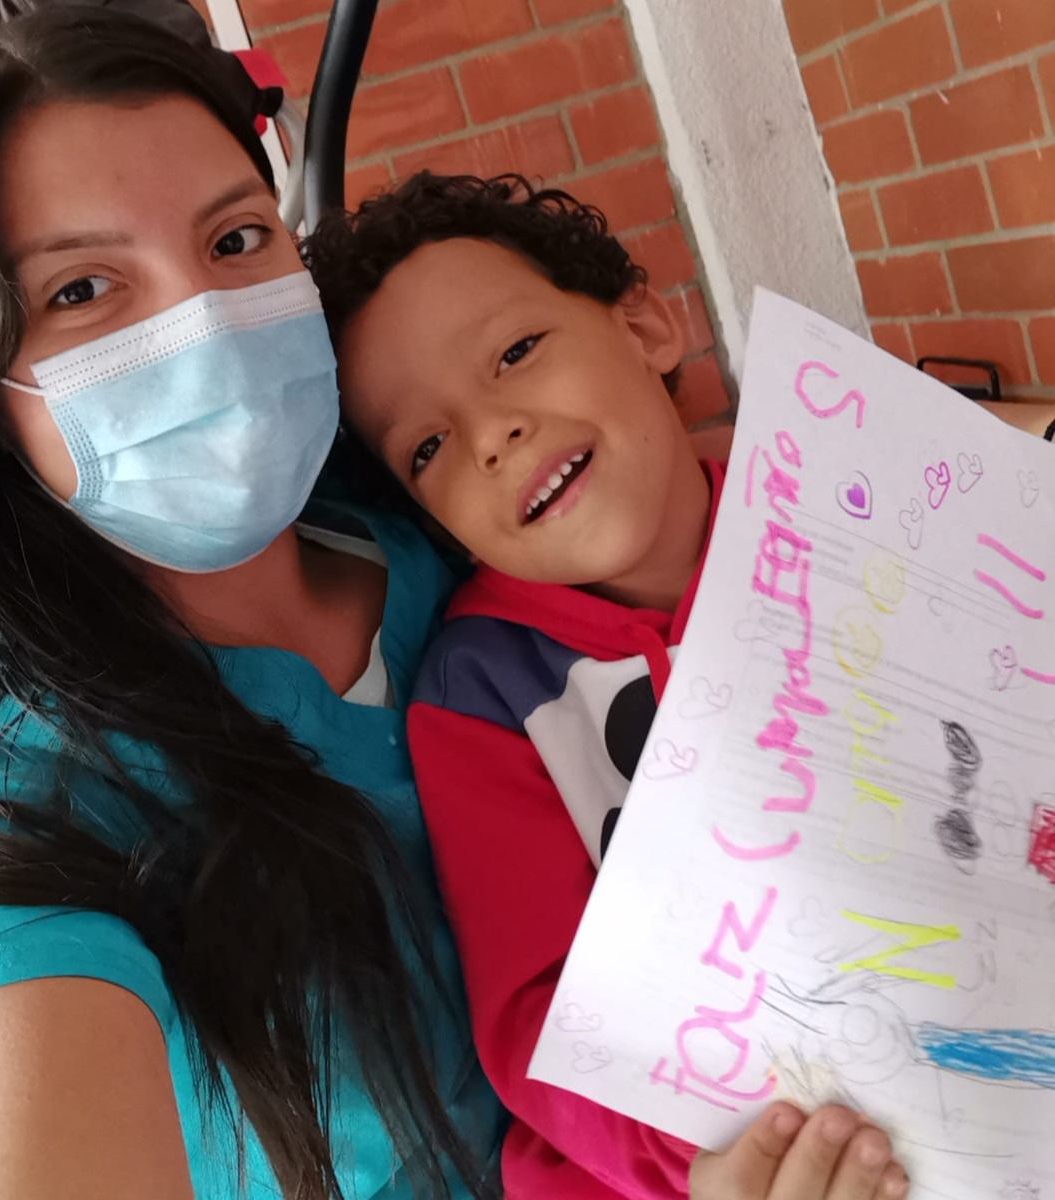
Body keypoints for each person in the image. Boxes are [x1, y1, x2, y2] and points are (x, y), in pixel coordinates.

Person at [0, 12, 505, 1199]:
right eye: (83, 289)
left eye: (236, 237)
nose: (203, 325)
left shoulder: (445, 519)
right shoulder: (20, 820)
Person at [304, 173, 912, 1200]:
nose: (491, 434)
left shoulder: (848, 522)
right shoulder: (482, 692)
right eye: (428, 447)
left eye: (514, 352)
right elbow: (539, 1020)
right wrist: (714, 1158)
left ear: (644, 326)